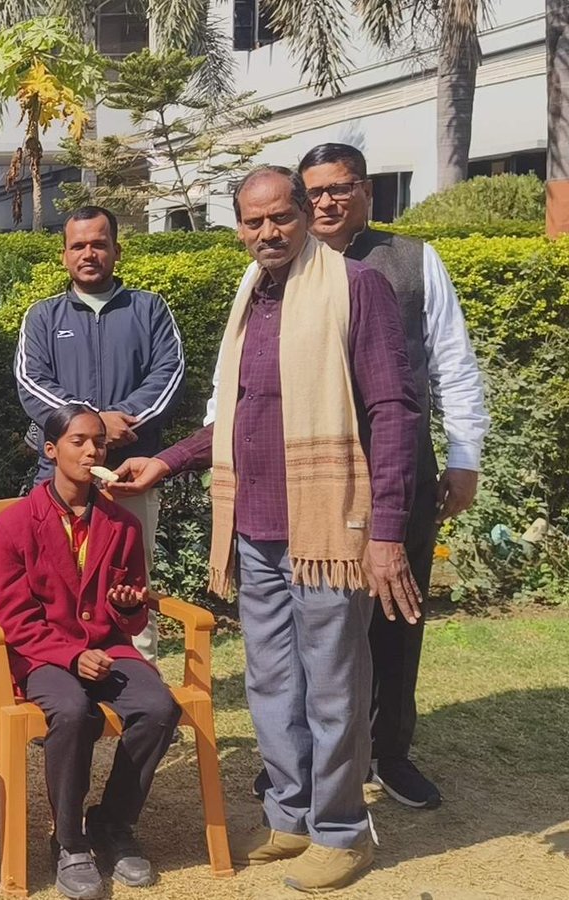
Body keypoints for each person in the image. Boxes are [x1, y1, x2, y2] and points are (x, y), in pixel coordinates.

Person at [114, 166, 422, 893]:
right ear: (239, 229)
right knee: (273, 681)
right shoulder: (253, 296)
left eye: (281, 216)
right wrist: (167, 460)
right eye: (253, 222)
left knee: (333, 685)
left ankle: (342, 832)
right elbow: (239, 414)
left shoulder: (355, 287)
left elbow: (394, 411)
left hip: (327, 532)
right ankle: (290, 815)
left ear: (305, 214)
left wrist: (385, 531)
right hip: (255, 528)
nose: (268, 232)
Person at [295, 142, 490, 808]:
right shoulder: (285, 264)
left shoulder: (412, 260)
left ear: (366, 191)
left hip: (399, 464)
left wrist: (464, 457)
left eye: (340, 187)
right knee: (313, 616)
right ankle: (308, 756)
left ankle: (389, 752)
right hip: (312, 469)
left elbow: (453, 362)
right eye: (315, 191)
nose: (327, 201)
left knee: (397, 612)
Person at [0, 403, 175, 900]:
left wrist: (128, 607)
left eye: (100, 443)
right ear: (51, 451)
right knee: (72, 711)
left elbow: (131, 616)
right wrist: (70, 656)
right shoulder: (14, 525)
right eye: (79, 442)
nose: (93, 451)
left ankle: (112, 823)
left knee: (158, 708)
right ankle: (69, 841)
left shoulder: (122, 524)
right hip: (43, 654)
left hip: (109, 649)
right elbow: (14, 619)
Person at [13, 206, 185, 664]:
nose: (88, 254)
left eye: (98, 244)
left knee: (131, 580)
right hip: (58, 480)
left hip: (130, 474)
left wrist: (120, 422)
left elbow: (168, 376)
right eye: (78, 246)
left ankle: (139, 675)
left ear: (116, 250)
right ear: (64, 255)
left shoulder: (149, 309)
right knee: (51, 581)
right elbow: (31, 383)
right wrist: (95, 424)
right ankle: (57, 672)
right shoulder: (42, 317)